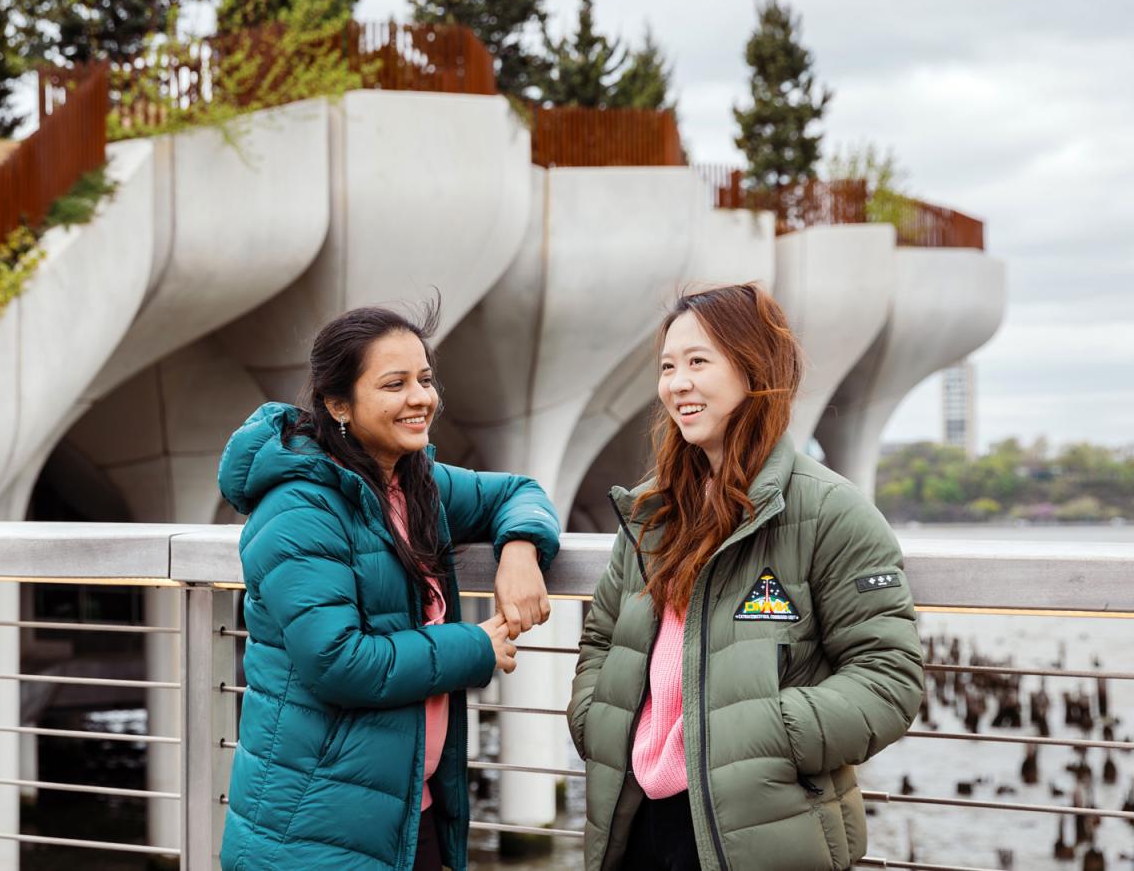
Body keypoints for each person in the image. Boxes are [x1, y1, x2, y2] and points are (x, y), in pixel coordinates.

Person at [567, 284, 924, 870]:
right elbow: (602, 641)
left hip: (762, 827)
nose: (676, 383)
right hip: (636, 821)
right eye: (667, 366)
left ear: (753, 368)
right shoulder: (652, 514)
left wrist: (758, 736)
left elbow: (889, 680)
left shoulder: (829, 510)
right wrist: (598, 723)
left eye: (698, 362)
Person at [217, 301, 561, 870]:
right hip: (312, 830)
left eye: (425, 379)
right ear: (338, 404)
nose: (421, 398)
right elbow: (338, 661)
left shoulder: (411, 481)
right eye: (394, 384)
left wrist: (521, 551)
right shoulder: (299, 509)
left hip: (399, 813)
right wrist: (474, 647)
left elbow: (518, 491)